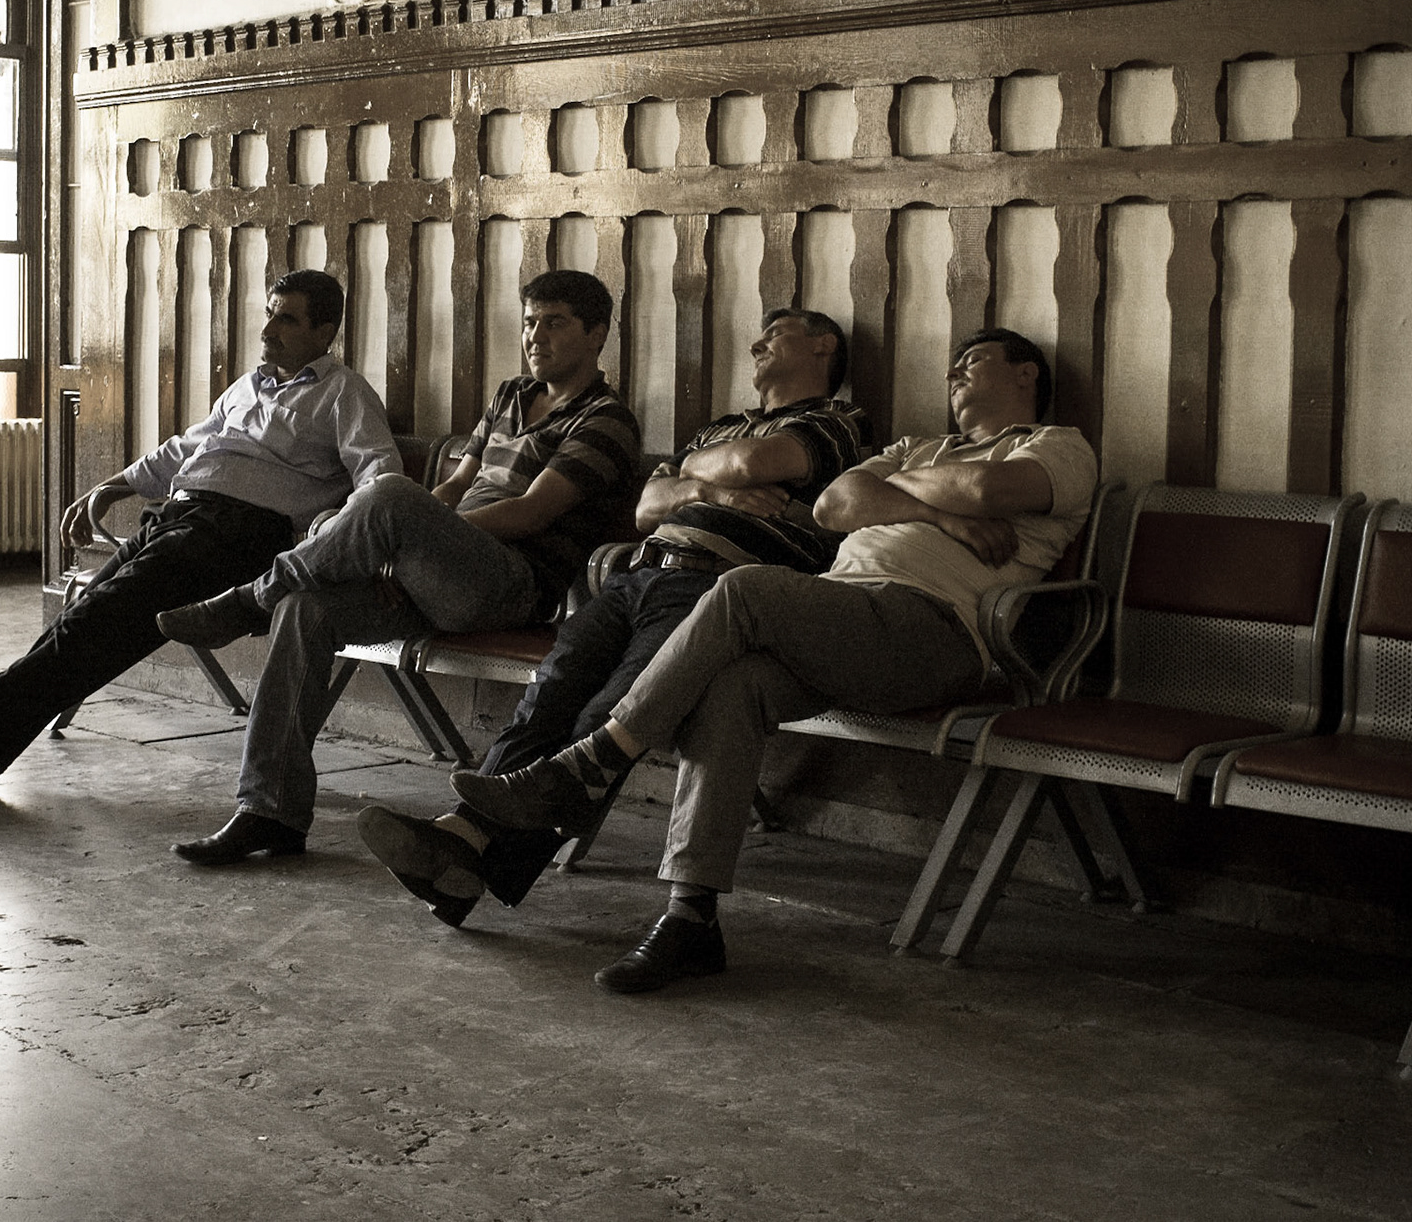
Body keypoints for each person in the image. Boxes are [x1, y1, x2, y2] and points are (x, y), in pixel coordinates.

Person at [454, 328, 1097, 993]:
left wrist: (909, 493)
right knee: (733, 686)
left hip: (937, 631)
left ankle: (595, 759)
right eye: (955, 361)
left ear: (1027, 376)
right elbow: (835, 503)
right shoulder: (918, 446)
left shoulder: (1058, 446)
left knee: (742, 588)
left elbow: (990, 488)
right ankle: (690, 916)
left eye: (977, 359)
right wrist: (945, 513)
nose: (956, 371)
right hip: (839, 617)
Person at [353, 308, 872, 927]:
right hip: (639, 576)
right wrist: (707, 490)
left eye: (777, 334)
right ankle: (464, 851)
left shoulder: (837, 424)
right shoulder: (724, 427)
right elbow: (649, 506)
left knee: (608, 711)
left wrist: (696, 475)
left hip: (718, 588)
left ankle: (464, 850)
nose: (757, 342)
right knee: (550, 695)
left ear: (823, 347)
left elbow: (752, 466)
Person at [0, 270, 398, 799]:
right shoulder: (247, 387)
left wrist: (328, 526)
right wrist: (113, 486)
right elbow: (187, 447)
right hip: (181, 518)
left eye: (289, 321)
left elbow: (380, 477)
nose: (268, 330)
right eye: (270, 314)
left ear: (325, 333)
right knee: (92, 619)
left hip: (241, 537)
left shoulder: (343, 393)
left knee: (100, 615)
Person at [155, 270, 641, 866]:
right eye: (529, 322)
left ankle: (247, 600)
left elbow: (529, 512)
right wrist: (404, 545)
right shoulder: (511, 395)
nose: (535, 336)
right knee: (305, 607)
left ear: (597, 334)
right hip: (437, 573)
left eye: (555, 323)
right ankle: (269, 811)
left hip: (509, 584)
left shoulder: (606, 420)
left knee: (387, 492)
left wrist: (414, 530)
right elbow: (456, 484)